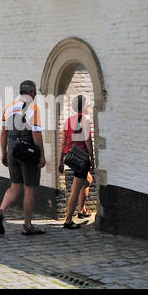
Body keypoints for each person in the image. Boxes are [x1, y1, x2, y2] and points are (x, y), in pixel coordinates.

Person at [0, 80, 46, 236]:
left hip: (12, 151)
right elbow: (36, 133)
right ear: (31, 93)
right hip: (27, 152)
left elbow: (3, 133)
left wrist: (4, 153)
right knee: (29, 189)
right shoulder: (33, 108)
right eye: (35, 91)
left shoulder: (8, 107)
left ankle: (0, 212)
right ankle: (27, 225)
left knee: (14, 187)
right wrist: (41, 155)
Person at [58, 95, 94, 229]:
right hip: (81, 159)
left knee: (88, 180)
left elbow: (63, 143)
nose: (89, 107)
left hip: (71, 157)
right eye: (88, 105)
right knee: (75, 189)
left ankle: (82, 210)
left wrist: (60, 161)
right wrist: (92, 158)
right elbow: (87, 141)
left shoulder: (68, 121)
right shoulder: (84, 120)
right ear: (83, 107)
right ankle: (68, 220)